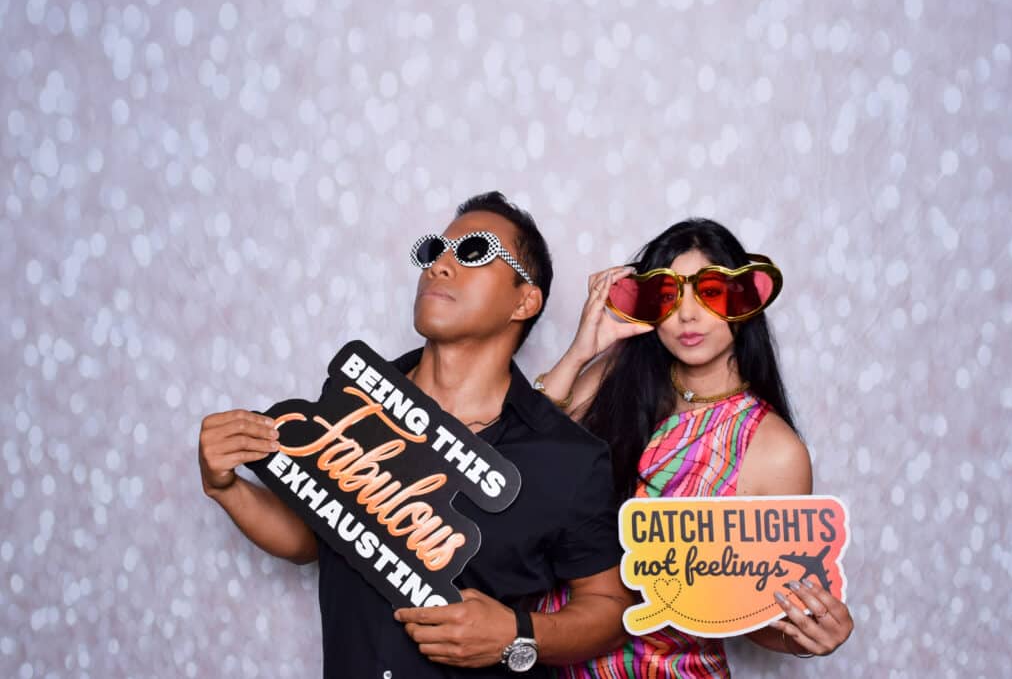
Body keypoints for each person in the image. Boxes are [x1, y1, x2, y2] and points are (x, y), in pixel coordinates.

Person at [197, 192, 632, 678]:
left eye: (474, 253)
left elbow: (610, 608)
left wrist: (517, 634)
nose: (440, 267)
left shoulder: (565, 459)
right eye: (433, 252)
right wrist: (226, 488)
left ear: (524, 299)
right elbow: (310, 539)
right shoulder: (353, 403)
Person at [533, 219, 854, 677]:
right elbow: (520, 453)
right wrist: (583, 348)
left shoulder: (773, 449)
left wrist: (805, 634)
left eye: (711, 293)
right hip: (555, 657)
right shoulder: (615, 383)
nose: (687, 315)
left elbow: (756, 610)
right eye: (669, 297)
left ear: (745, 301)